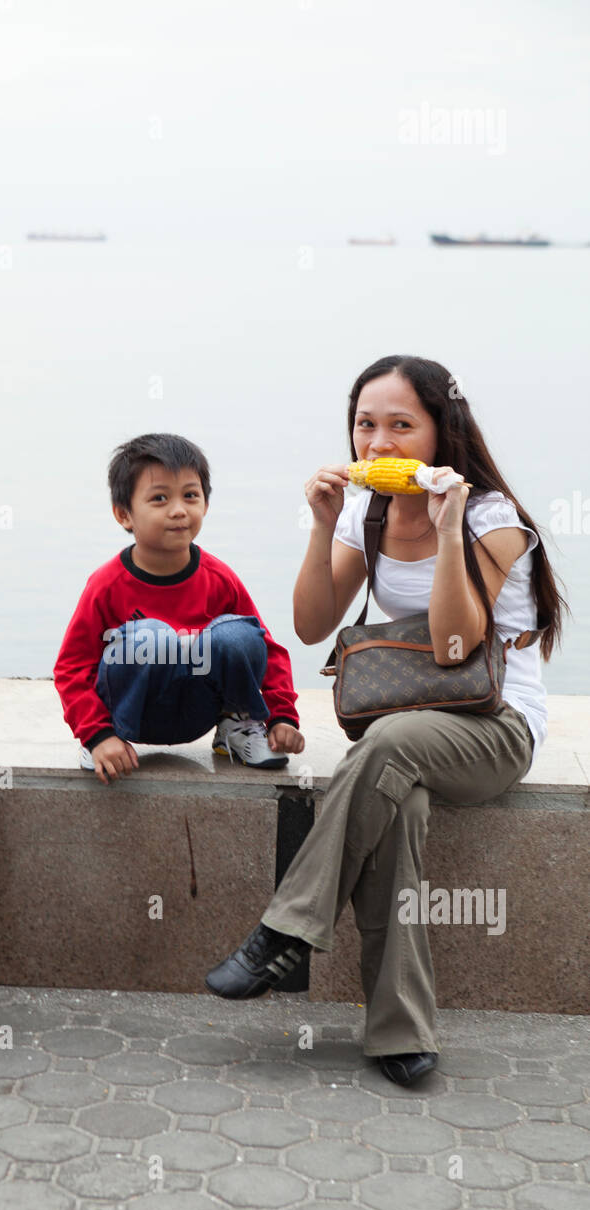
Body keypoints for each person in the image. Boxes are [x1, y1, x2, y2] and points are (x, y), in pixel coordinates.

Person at [206, 355, 567, 1086]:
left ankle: (288, 929)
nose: (379, 444)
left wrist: (448, 526)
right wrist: (320, 525)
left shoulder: (493, 521)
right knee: (397, 806)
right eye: (365, 425)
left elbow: (453, 646)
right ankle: (399, 1033)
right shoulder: (364, 511)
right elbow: (310, 626)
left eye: (403, 425)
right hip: (406, 736)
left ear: (442, 431)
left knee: (390, 746)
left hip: (493, 726)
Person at [54, 433, 305, 784]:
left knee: (239, 635)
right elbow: (72, 666)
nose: (178, 510)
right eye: (159, 499)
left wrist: (282, 716)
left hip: (197, 710)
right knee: (152, 636)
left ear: (205, 504)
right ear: (124, 514)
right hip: (128, 716)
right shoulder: (107, 584)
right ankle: (105, 741)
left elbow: (267, 649)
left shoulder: (218, 578)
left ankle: (236, 724)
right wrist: (96, 734)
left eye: (190, 496)